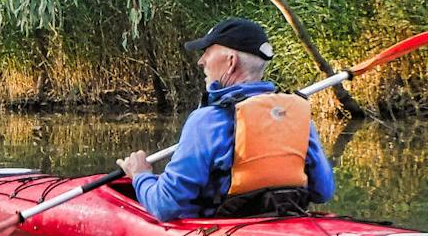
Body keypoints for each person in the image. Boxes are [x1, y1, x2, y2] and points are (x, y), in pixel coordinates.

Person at [117, 17, 336, 222]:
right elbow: (322, 192)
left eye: (207, 52)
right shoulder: (298, 118)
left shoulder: (207, 121)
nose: (201, 61)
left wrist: (140, 175)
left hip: (222, 233)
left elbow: (164, 206)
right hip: (283, 225)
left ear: (230, 62)